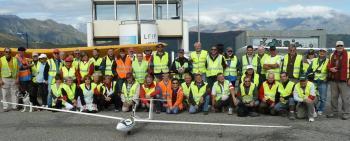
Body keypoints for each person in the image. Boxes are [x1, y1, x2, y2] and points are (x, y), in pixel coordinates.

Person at [327, 41, 350, 120]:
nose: (340, 47)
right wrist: (330, 68)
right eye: (338, 45)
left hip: (344, 80)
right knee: (333, 97)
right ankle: (334, 112)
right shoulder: (332, 55)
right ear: (336, 47)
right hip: (334, 80)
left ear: (343, 46)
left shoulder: (349, 54)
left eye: (341, 45)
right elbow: (328, 64)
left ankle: (346, 113)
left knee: (345, 98)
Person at [306, 48, 329, 116]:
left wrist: (327, 78)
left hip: (323, 82)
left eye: (324, 52)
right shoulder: (314, 60)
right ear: (319, 52)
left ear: (326, 53)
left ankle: (320, 109)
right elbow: (308, 70)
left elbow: (330, 71)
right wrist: (307, 78)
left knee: (323, 98)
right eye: (321, 51)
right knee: (312, 96)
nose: (322, 53)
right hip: (314, 81)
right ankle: (314, 109)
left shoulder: (328, 61)